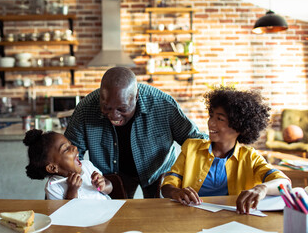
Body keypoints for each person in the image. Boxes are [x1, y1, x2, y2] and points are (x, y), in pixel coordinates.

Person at [64, 66, 207, 198]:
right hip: (112, 175)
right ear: (101, 95)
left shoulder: (162, 105)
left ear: (136, 96)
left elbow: (194, 140)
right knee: (118, 217)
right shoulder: (85, 109)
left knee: (160, 216)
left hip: (158, 171)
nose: (114, 116)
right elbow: (69, 154)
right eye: (106, 107)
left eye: (122, 109)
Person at [161, 86, 291, 214]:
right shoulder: (191, 148)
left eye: (219, 118)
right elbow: (167, 185)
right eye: (211, 116)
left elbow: (285, 183)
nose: (210, 123)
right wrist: (175, 192)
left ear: (239, 126)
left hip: (234, 219)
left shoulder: (250, 157)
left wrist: (262, 188)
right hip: (189, 216)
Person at [23, 129, 112, 200]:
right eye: (66, 149)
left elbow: (109, 187)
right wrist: (72, 190)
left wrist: (103, 186)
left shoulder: (87, 166)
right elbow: (65, 215)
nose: (74, 147)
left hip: (107, 215)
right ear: (53, 167)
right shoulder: (53, 187)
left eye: (70, 144)